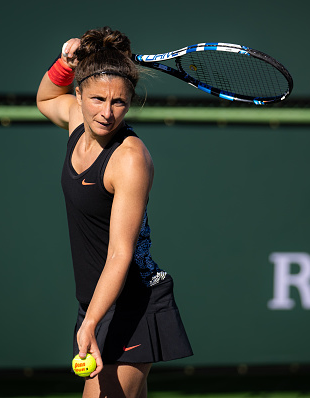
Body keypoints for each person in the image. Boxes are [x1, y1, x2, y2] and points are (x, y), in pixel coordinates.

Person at [36, 26, 193, 398]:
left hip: (132, 303)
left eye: (119, 102)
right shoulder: (77, 122)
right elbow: (45, 99)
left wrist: (91, 322)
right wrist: (64, 63)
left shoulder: (130, 160)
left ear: (130, 101)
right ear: (78, 93)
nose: (106, 113)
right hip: (95, 301)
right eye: (97, 99)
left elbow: (120, 253)